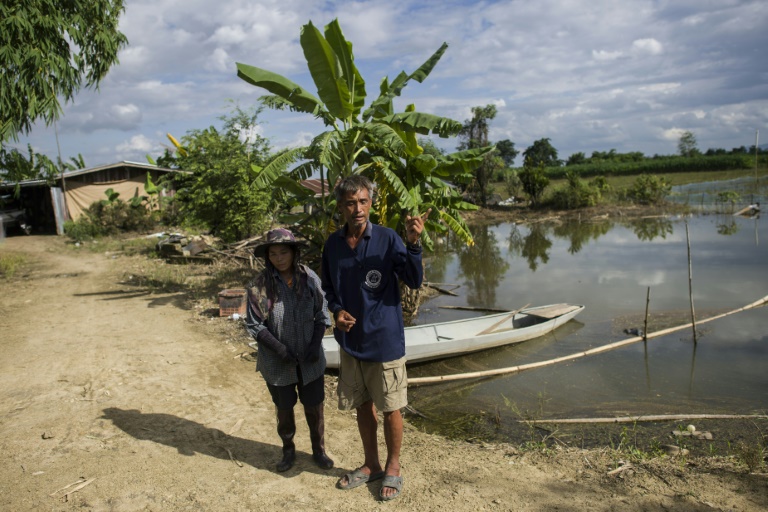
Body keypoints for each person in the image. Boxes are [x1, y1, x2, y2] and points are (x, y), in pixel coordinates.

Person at [321, 175, 428, 501]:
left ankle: (393, 466)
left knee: (391, 407)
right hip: (351, 342)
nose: (358, 209)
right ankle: (372, 464)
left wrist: (413, 244)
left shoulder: (387, 238)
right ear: (341, 207)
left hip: (384, 342)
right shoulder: (333, 245)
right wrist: (337, 311)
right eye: (350, 203)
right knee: (362, 404)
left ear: (371, 203)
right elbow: (328, 287)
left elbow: (413, 279)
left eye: (363, 201)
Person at [245, 228, 333, 472]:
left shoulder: (309, 278)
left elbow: (322, 314)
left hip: (310, 359)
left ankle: (319, 450)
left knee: (314, 406)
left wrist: (314, 345)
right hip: (277, 362)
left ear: (294, 252)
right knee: (284, 409)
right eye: (273, 254)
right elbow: (254, 325)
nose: (279, 258)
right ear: (267, 256)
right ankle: (288, 450)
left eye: (284, 252)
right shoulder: (260, 285)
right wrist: (280, 349)